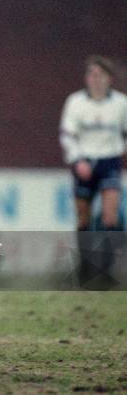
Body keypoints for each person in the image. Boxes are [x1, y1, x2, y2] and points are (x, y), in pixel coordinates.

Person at [59, 55, 127, 287]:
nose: (95, 79)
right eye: (91, 74)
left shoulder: (120, 104)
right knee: (83, 217)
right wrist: (78, 160)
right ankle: (85, 270)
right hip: (84, 163)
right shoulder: (76, 102)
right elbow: (67, 135)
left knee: (110, 216)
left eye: (100, 75)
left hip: (109, 162)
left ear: (109, 78)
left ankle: (106, 271)